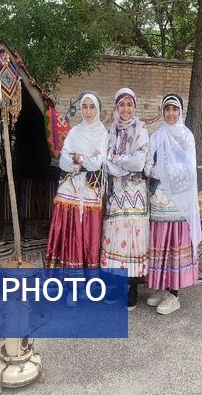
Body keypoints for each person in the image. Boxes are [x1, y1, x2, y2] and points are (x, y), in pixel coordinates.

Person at [45, 92, 109, 305]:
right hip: (69, 190)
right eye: (85, 107)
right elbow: (63, 161)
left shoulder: (103, 133)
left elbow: (97, 163)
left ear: (98, 109)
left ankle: (85, 286)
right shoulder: (74, 131)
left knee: (87, 238)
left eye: (92, 107)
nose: (88, 111)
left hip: (90, 193)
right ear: (81, 109)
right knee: (70, 235)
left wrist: (77, 158)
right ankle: (68, 285)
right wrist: (82, 159)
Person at [144, 93, 201, 315]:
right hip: (159, 199)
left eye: (174, 109)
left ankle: (174, 294)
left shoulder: (186, 137)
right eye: (167, 109)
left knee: (174, 245)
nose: (170, 114)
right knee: (161, 244)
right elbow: (148, 165)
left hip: (179, 202)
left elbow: (187, 171)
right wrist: (157, 170)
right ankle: (162, 287)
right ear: (162, 111)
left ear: (180, 111)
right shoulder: (157, 136)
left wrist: (162, 171)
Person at [101, 88, 150, 311]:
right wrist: (121, 162)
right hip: (116, 194)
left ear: (135, 107)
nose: (126, 109)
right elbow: (105, 162)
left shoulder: (141, 129)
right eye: (122, 105)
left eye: (129, 104)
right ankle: (118, 285)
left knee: (133, 241)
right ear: (116, 107)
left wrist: (117, 159)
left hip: (136, 196)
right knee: (117, 239)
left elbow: (139, 163)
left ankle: (133, 289)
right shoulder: (111, 130)